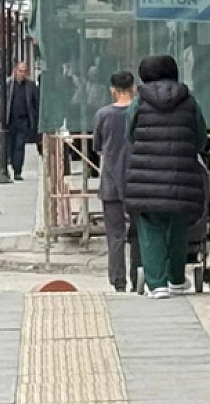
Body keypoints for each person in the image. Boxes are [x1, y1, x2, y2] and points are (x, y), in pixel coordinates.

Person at [125, 55, 209, 299]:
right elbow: (201, 137)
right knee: (178, 227)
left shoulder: (139, 102)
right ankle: (176, 279)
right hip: (182, 173)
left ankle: (156, 282)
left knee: (151, 227)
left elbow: (130, 134)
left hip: (146, 175)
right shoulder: (190, 101)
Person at [93, 71, 137, 292]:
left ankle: (118, 280)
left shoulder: (103, 115)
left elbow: (97, 146)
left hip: (110, 182)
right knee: (139, 233)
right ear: (133, 88)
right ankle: (139, 276)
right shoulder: (139, 113)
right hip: (138, 181)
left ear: (113, 90)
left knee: (115, 235)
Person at [0, 62, 41, 180]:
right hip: (11, 120)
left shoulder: (31, 85)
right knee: (11, 145)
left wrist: (35, 120)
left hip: (24, 120)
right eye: (20, 71)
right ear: (15, 71)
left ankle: (17, 171)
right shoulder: (8, 84)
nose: (22, 74)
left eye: (25, 71)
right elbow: (2, 102)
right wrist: (0, 119)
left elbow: (35, 103)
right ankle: (11, 165)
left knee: (19, 145)